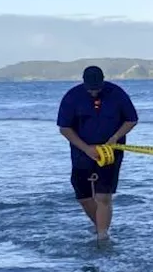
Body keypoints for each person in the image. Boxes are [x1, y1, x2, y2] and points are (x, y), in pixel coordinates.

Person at [57, 65, 138, 241]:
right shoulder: (72, 97)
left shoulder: (117, 94)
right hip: (82, 151)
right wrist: (86, 149)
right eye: (91, 90)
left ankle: (103, 236)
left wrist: (115, 137)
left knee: (103, 196)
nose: (94, 93)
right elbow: (64, 128)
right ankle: (99, 225)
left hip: (110, 150)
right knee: (84, 197)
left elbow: (131, 120)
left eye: (97, 89)